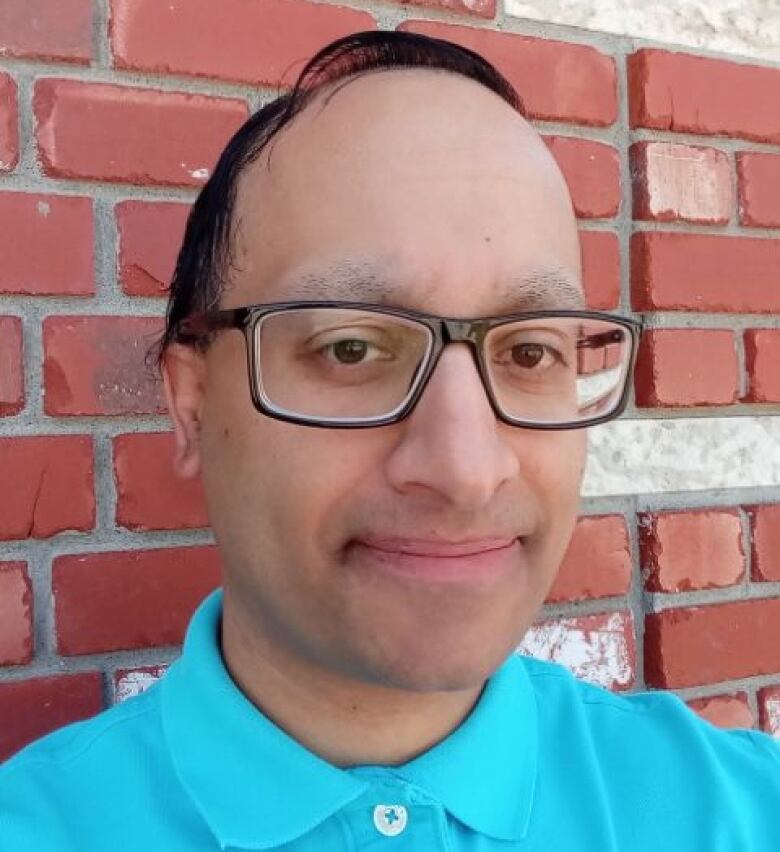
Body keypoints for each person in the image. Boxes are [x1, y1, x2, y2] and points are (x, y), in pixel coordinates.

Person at [1, 30, 778, 851]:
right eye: (350, 348)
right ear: (192, 407)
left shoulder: (738, 810)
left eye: (528, 351)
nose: (466, 469)